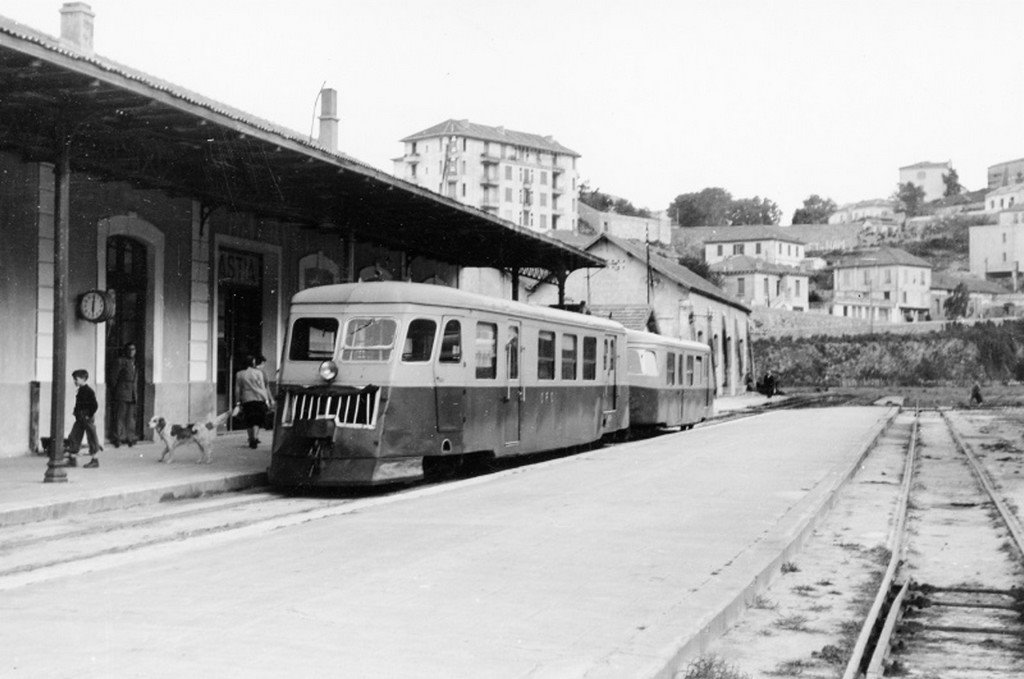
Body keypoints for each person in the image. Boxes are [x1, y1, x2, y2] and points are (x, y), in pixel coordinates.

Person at [235, 354, 274, 449]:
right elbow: (262, 387)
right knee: (257, 419)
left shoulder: (239, 374)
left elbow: (237, 389)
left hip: (246, 399)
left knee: (248, 419)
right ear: (252, 363)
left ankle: (250, 438)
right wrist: (267, 399)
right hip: (259, 398)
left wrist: (237, 401)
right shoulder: (258, 373)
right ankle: (255, 437)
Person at [65, 369, 102, 468]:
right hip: (80, 417)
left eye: (76, 379)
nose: (75, 381)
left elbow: (94, 405)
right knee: (74, 435)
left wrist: (88, 415)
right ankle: (72, 458)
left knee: (91, 437)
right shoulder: (81, 390)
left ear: (83, 379)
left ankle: (95, 459)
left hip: (86, 417)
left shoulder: (88, 391)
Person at [111, 342, 139, 447]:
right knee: (120, 416)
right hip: (122, 392)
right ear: (126, 351)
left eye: (134, 349)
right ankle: (118, 438)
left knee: (130, 417)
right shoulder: (120, 361)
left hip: (132, 393)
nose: (132, 352)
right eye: (130, 349)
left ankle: (130, 437)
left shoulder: (134, 362)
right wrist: (117, 390)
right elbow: (114, 377)